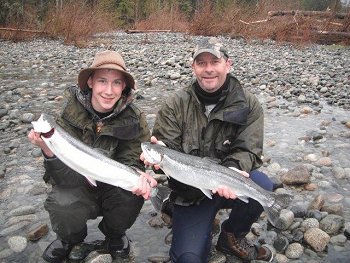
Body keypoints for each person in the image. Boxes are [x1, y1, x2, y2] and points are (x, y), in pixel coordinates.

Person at [141, 38, 274, 263]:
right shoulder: (175, 104)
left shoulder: (248, 105)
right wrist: (161, 150)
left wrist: (234, 169)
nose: (209, 69)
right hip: (190, 193)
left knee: (262, 185)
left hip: (228, 182)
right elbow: (168, 147)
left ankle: (232, 235)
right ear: (193, 67)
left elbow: (249, 150)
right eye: (201, 63)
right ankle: (174, 209)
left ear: (228, 64)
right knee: (188, 258)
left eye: (215, 61)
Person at [28, 50, 157, 263]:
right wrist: (48, 149)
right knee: (62, 200)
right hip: (76, 184)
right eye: (102, 81)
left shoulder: (135, 119)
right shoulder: (68, 114)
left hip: (112, 186)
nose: (109, 90)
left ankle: (114, 234)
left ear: (124, 86)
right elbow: (59, 179)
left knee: (132, 192)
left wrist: (140, 176)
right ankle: (71, 239)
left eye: (116, 83)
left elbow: (132, 160)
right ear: (90, 82)